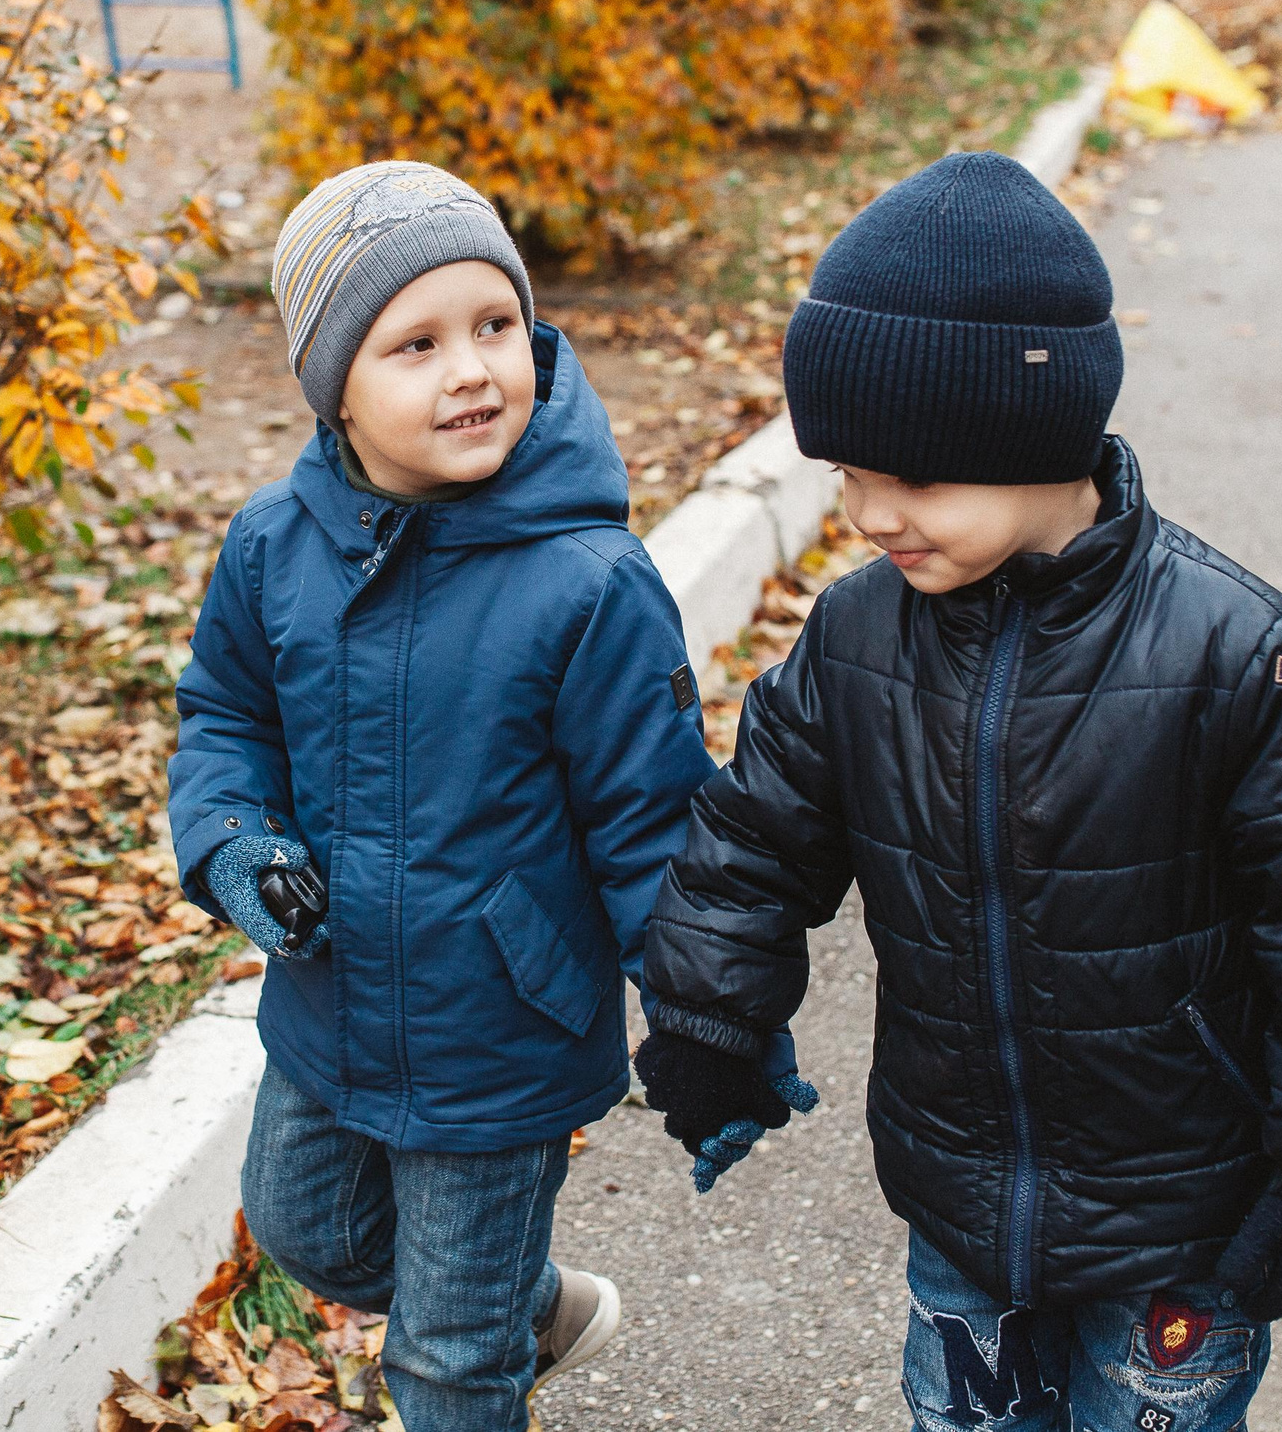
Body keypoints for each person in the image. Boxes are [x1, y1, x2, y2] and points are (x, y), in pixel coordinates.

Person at [634, 151, 1282, 1432]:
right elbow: (752, 840)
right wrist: (708, 1018)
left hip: (1185, 1223)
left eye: (913, 479)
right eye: (844, 471)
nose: (867, 514)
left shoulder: (1242, 658)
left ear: (1035, 436)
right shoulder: (856, 639)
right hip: (960, 1202)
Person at [167, 161, 812, 1432]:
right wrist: (235, 839)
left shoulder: (587, 586)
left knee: (447, 1362)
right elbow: (224, 718)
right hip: (325, 996)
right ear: (334, 389)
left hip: (498, 1035)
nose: (471, 368)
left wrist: (716, 1028)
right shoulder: (270, 547)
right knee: (308, 1230)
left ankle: (482, 1335)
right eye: (415, 343)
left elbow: (655, 833)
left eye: (495, 326)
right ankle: (522, 1303)